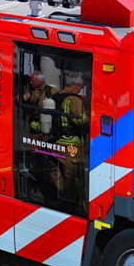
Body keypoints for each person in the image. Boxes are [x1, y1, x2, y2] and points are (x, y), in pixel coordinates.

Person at [50, 74, 89, 205]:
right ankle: (76, 204)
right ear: (76, 87)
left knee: (56, 174)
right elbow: (81, 122)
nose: (80, 90)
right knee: (73, 177)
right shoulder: (75, 100)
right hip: (70, 145)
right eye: (80, 88)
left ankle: (57, 200)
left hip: (55, 142)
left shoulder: (56, 96)